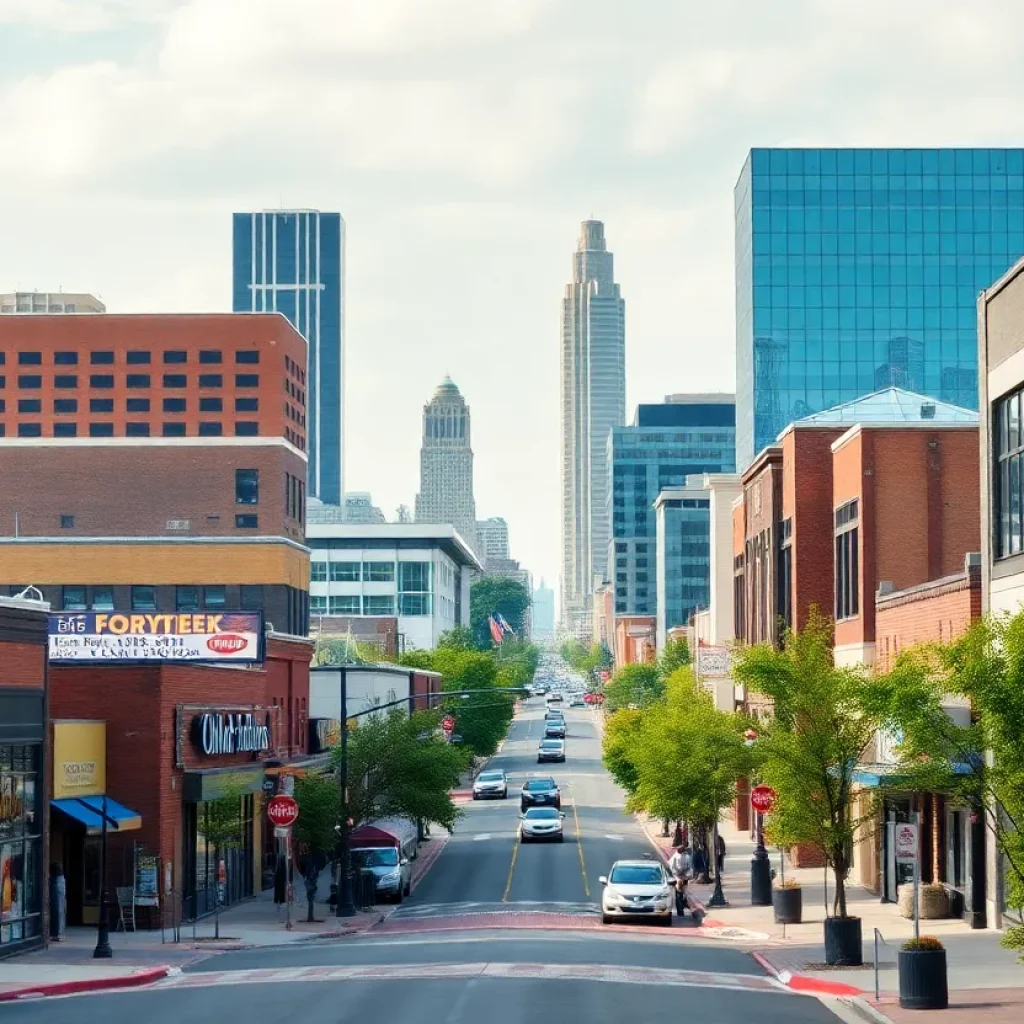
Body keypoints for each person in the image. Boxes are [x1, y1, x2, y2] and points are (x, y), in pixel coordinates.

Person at [667, 845, 692, 917]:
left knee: (685, 893)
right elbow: (672, 869)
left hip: (684, 876)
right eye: (681, 848)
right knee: (679, 894)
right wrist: (678, 878)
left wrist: (687, 875)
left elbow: (689, 867)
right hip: (677, 877)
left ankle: (684, 903)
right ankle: (680, 911)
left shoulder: (686, 856)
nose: (683, 850)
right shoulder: (674, 857)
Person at [49, 863, 66, 941]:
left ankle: (56, 933)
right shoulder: (61, 881)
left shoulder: (55, 883)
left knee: (57, 911)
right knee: (60, 911)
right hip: (59, 893)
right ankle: (59, 932)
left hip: (56, 889)